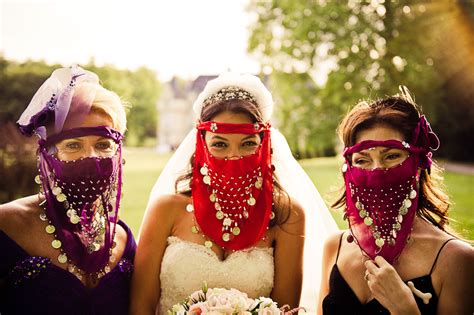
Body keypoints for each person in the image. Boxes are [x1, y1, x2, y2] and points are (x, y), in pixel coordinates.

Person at [130, 72, 338, 314]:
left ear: (264, 146)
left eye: (248, 144)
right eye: (219, 144)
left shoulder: (288, 215)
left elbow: (284, 309)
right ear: (202, 146)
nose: (234, 157)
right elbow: (140, 308)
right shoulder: (166, 210)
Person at [318, 87, 474, 315]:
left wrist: (406, 309)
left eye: (391, 156)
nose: (377, 171)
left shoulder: (457, 260)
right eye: (362, 160)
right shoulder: (334, 247)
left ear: (418, 165)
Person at [0, 65, 136, 314]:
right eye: (73, 145)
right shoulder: (6, 225)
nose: (91, 157)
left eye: (104, 144)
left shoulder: (123, 240)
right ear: (48, 156)